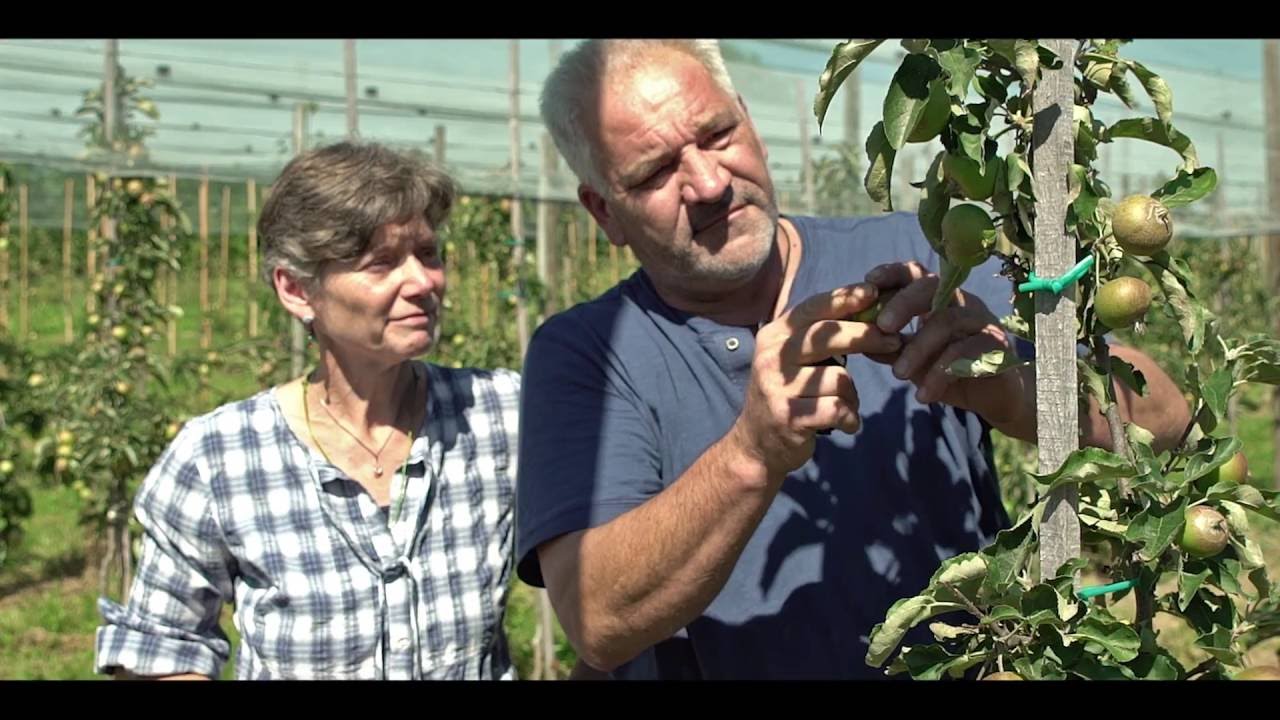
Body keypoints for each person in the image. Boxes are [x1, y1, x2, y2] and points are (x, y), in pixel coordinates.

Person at [515, 39, 1191, 680]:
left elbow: (1162, 417)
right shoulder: (588, 352)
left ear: (748, 120)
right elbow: (598, 617)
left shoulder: (919, 258)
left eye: (717, 134)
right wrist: (752, 453)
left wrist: (1012, 388)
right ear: (604, 212)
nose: (708, 181)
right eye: (656, 171)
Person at [94, 142, 521, 680]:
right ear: (297, 290)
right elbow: (160, 649)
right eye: (382, 262)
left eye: (428, 253)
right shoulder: (220, 458)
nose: (423, 283)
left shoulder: (499, 417)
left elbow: (608, 571)